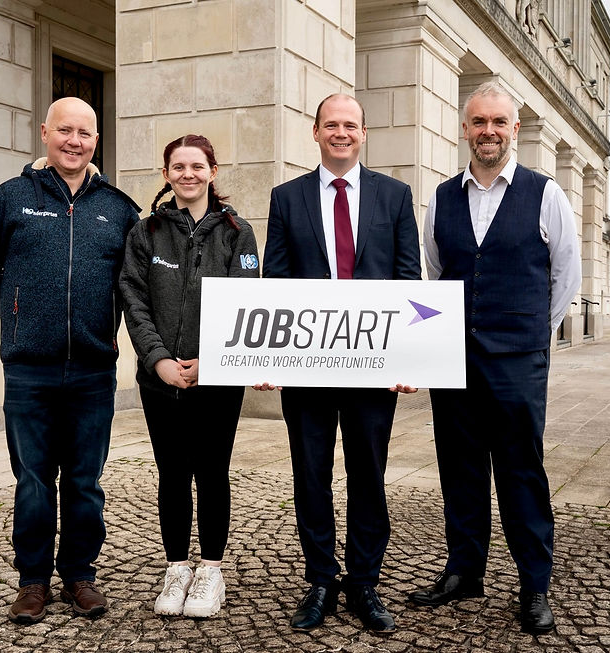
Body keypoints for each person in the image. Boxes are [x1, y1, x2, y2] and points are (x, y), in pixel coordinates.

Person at [410, 81, 581, 635]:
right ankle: (465, 572)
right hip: (454, 357)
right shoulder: (442, 197)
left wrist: (532, 334)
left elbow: (565, 278)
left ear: (513, 129)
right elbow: (436, 273)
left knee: (521, 471)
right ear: (465, 128)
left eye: (499, 123)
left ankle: (534, 584)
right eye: (479, 122)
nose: (488, 131)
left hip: (517, 358)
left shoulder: (546, 193)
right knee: (459, 469)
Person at [0, 97, 140, 624]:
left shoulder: (119, 207)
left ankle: (80, 577)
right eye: (65, 131)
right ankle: (33, 583)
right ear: (45, 132)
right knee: (34, 480)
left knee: (85, 481)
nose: (74, 142)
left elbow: (134, 284)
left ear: (96, 141)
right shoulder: (9, 199)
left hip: (92, 368)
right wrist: (21, 315)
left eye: (85, 133)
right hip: (28, 369)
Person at [259, 94, 421, 633]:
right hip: (307, 368)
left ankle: (364, 582)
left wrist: (407, 359)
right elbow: (275, 282)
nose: (341, 133)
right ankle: (321, 580)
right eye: (332, 124)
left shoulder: (396, 197)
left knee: (368, 476)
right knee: (311, 475)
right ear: (315, 132)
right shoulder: (287, 198)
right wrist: (271, 356)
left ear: (364, 133)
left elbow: (406, 281)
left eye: (350, 125)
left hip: (373, 368)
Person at [119, 135, 260, 618]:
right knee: (172, 473)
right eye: (177, 166)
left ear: (212, 171)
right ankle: (177, 566)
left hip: (218, 377)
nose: (188, 174)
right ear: (166, 174)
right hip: (160, 378)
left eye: (197, 165)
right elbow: (133, 298)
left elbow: (245, 300)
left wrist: (213, 361)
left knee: (212, 471)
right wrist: (157, 359)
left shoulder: (237, 232)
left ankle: (211, 571)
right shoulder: (146, 232)